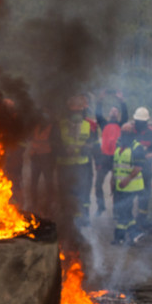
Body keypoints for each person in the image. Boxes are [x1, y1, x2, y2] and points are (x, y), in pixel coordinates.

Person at [54, 94, 98, 227]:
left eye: (79, 110)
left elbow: (94, 145)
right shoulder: (60, 125)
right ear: (68, 110)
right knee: (64, 191)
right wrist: (64, 150)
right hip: (64, 165)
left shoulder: (89, 125)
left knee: (81, 191)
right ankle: (66, 217)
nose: (76, 113)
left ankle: (82, 217)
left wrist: (81, 149)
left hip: (82, 165)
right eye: (73, 110)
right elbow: (54, 144)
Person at [94, 90, 128, 216]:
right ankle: (101, 206)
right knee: (98, 184)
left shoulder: (121, 124)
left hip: (116, 158)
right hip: (104, 158)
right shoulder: (104, 124)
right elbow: (98, 115)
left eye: (116, 111)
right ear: (109, 113)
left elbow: (126, 115)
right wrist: (100, 100)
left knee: (116, 185)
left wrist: (121, 100)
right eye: (112, 110)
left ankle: (116, 209)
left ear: (118, 114)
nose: (114, 112)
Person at [111, 122, 145, 245]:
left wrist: (127, 179)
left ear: (132, 133)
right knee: (124, 211)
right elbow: (115, 165)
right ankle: (134, 234)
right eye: (123, 131)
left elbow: (138, 167)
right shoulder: (119, 145)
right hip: (121, 186)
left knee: (123, 209)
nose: (124, 134)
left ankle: (120, 237)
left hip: (132, 186)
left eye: (127, 131)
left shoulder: (137, 147)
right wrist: (113, 179)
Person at [131, 106, 152, 230]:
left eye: (142, 122)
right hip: (131, 169)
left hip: (146, 170)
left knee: (145, 195)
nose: (139, 124)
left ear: (146, 122)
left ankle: (141, 219)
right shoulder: (130, 131)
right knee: (129, 194)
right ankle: (127, 218)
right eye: (137, 122)